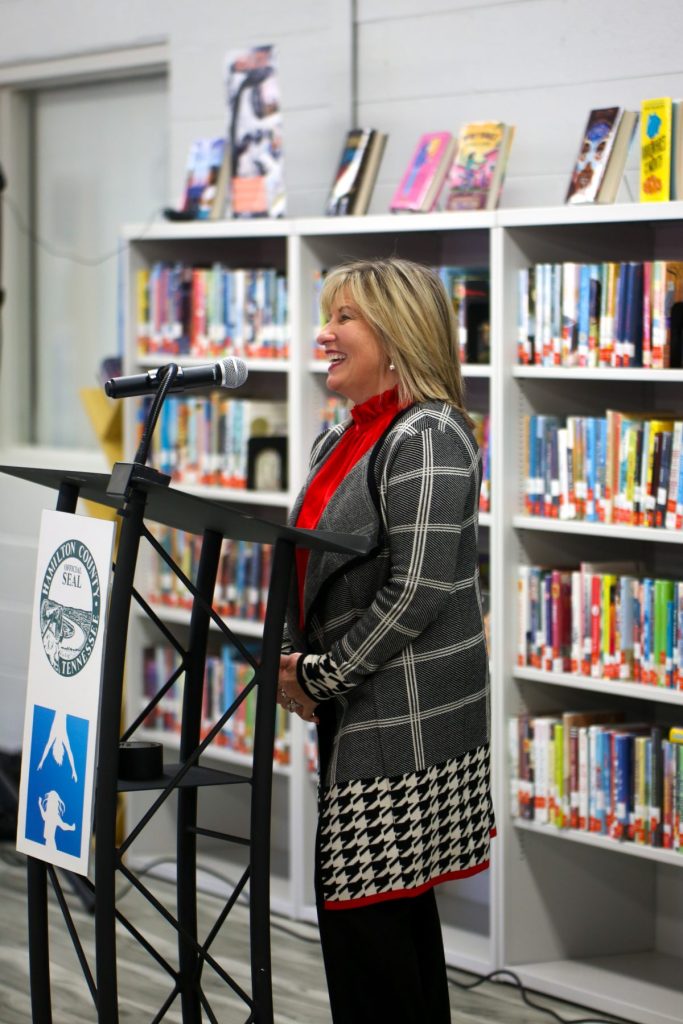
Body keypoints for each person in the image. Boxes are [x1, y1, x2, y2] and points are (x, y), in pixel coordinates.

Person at [277, 256, 494, 1024]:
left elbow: (418, 590)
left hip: (402, 720)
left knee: (371, 928)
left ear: (397, 335)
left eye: (344, 318)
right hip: (358, 707)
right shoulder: (340, 437)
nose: (323, 333)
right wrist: (292, 663)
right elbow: (320, 565)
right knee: (377, 928)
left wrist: (321, 675)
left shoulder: (429, 433)